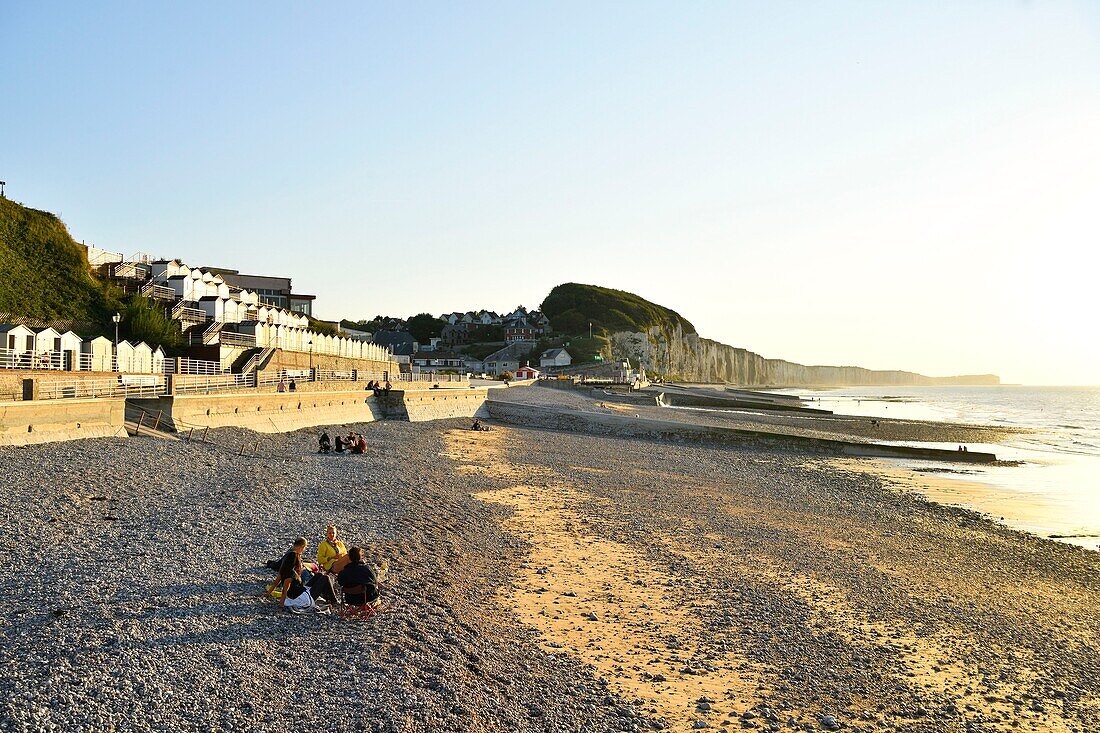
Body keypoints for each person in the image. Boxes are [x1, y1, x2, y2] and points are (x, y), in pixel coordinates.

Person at [266, 537, 314, 611]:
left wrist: (267, 594)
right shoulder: (291, 575)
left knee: (320, 578)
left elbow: (276, 583)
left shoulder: (283, 571)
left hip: (300, 594)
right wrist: (280, 606)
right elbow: (284, 591)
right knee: (322, 578)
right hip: (303, 598)